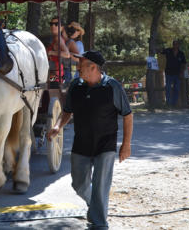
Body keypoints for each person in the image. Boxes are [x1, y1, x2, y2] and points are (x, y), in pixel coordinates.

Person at [47, 50, 133, 229]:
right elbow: (67, 111)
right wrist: (57, 126)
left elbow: (127, 115)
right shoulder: (75, 86)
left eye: (81, 65)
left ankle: (100, 224)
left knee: (101, 185)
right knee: (78, 184)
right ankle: (95, 206)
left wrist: (126, 144)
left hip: (106, 144)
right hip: (82, 143)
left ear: (93, 67)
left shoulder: (113, 87)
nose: (78, 68)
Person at [160, 40, 186, 107]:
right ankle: (168, 103)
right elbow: (160, 55)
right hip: (168, 73)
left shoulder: (181, 53)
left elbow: (183, 64)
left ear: (178, 45)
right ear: (173, 45)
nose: (175, 45)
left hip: (178, 74)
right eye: (174, 44)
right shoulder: (168, 51)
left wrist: (181, 73)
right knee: (168, 88)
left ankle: (174, 104)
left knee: (176, 89)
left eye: (177, 44)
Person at [46, 17, 70, 87]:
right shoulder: (55, 38)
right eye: (51, 24)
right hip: (54, 75)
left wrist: (51, 52)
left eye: (56, 24)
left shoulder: (58, 38)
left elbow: (67, 54)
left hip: (55, 77)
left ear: (62, 28)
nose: (53, 26)